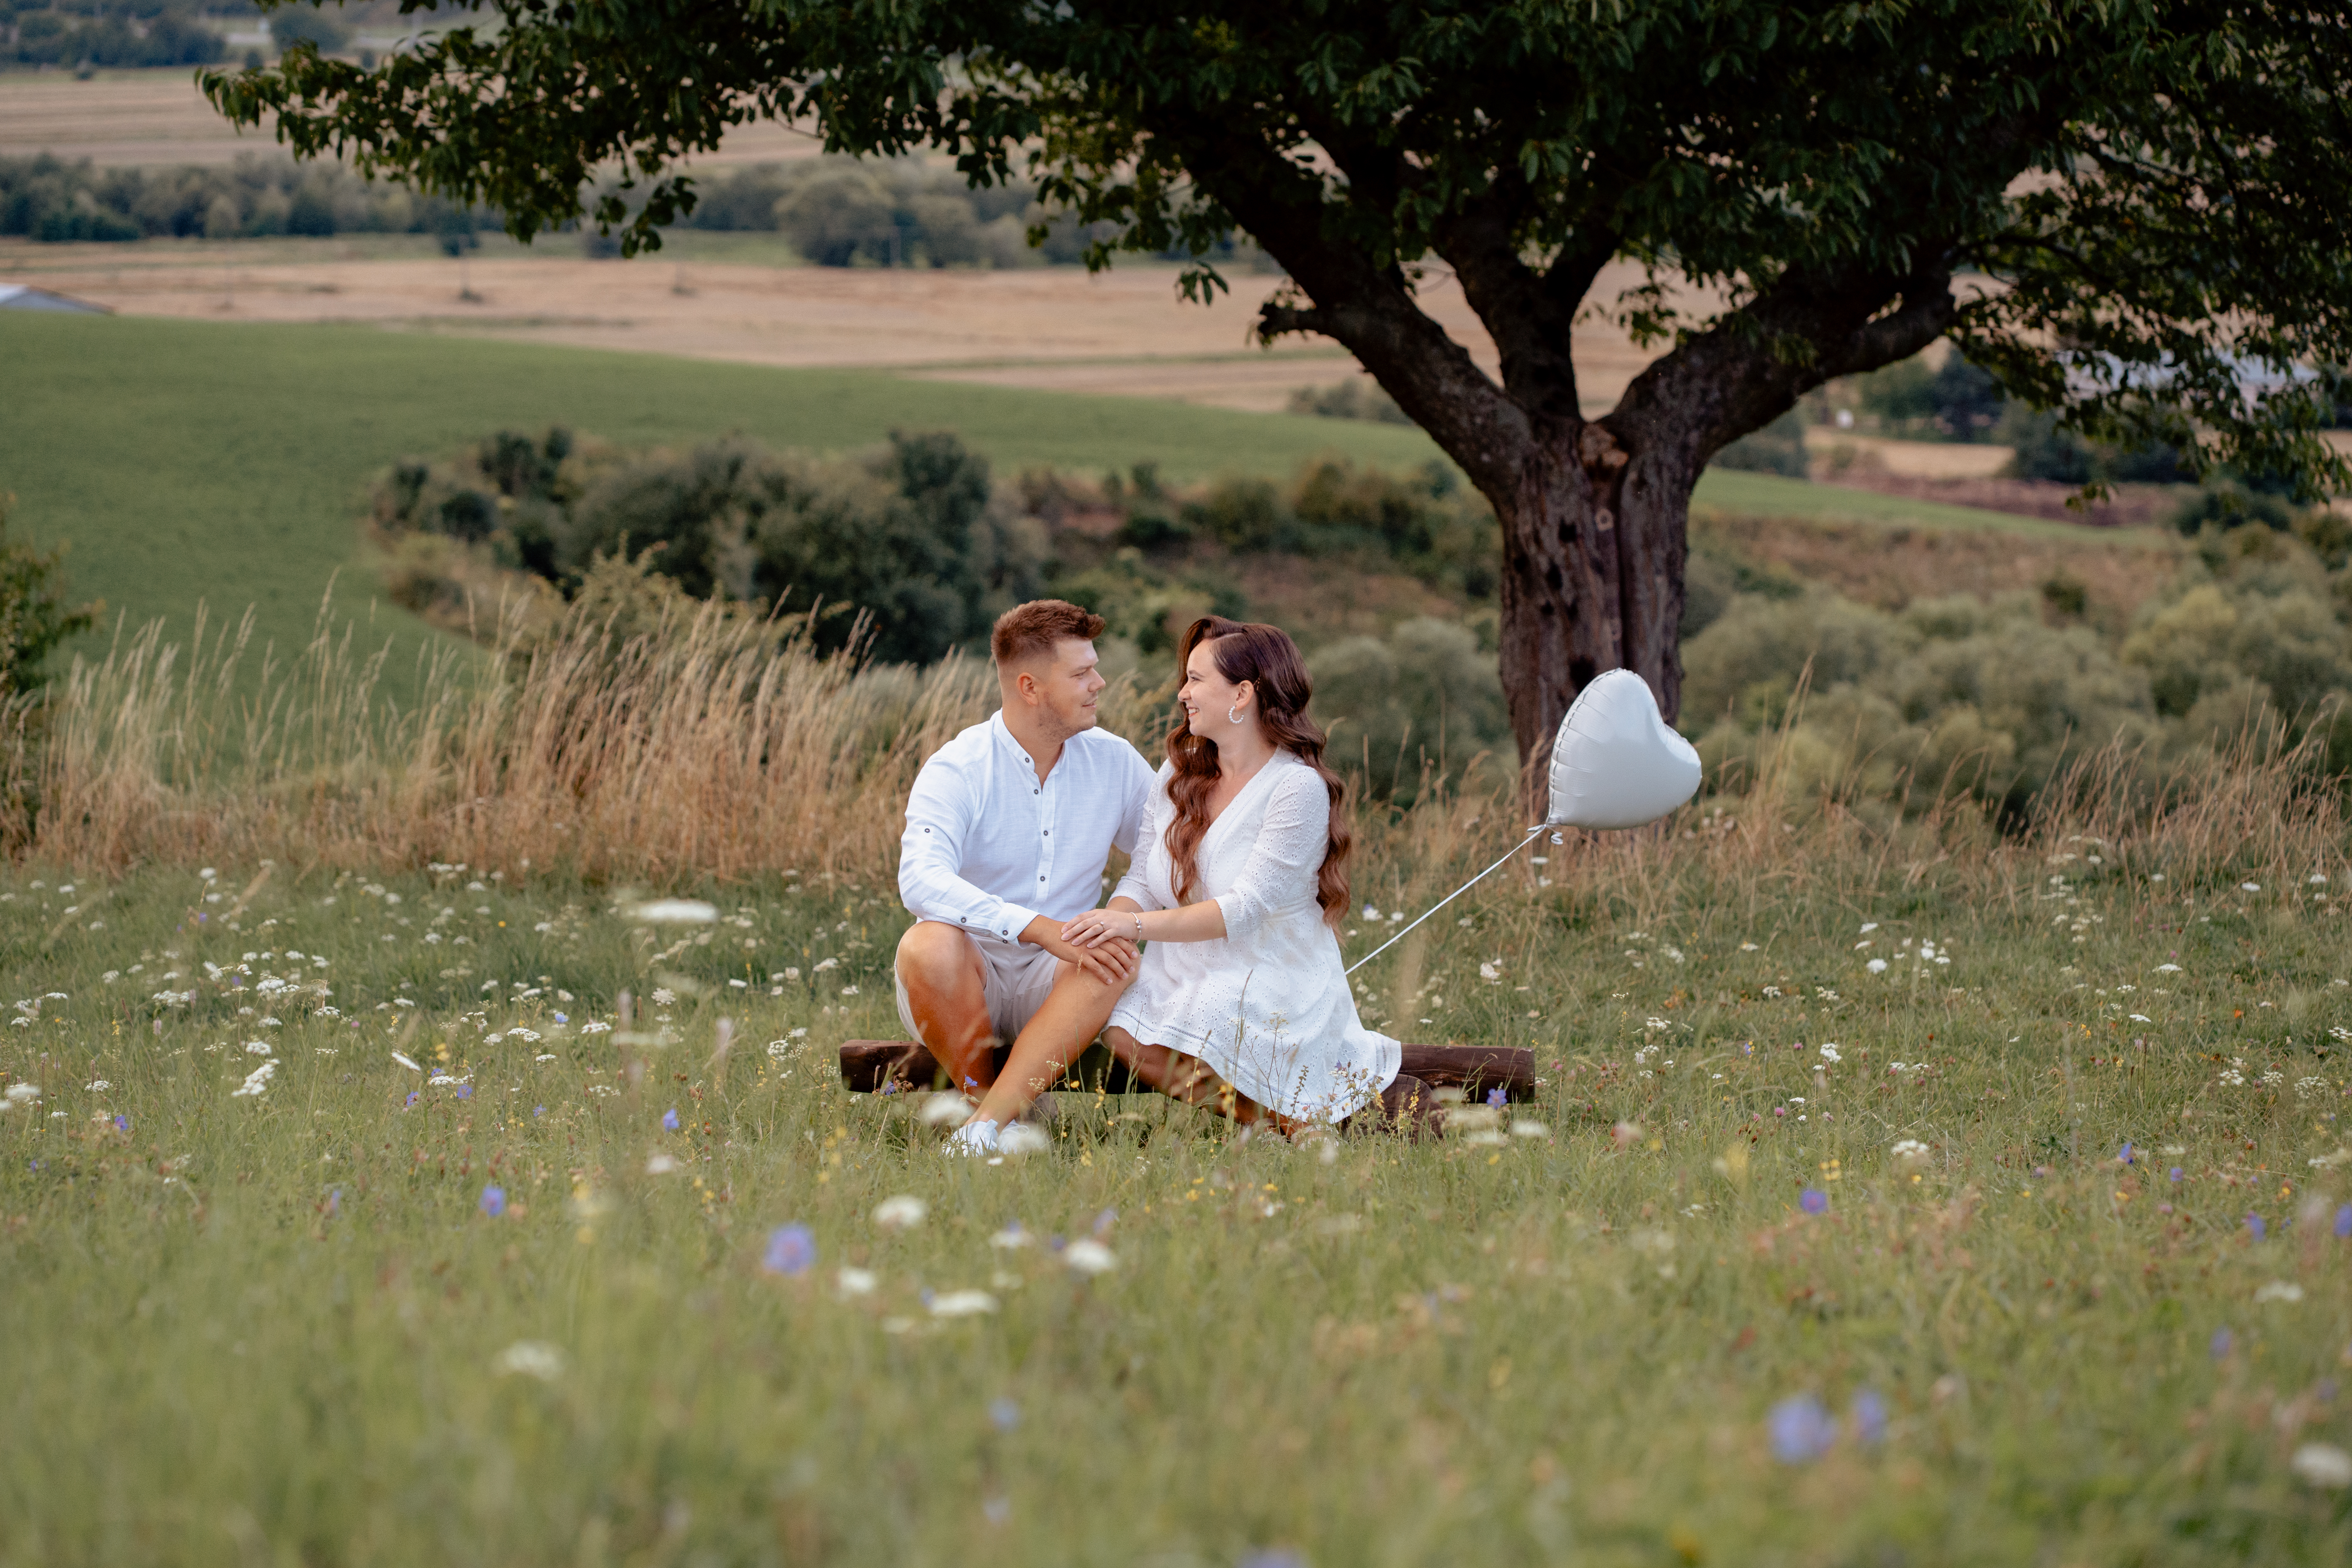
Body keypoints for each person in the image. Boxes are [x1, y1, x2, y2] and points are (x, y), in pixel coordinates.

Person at [975, 615, 1437, 1138]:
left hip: (1267, 969)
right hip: (1182, 966)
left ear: (1242, 694)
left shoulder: (1296, 788)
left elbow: (1246, 910)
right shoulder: (1179, 774)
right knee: (1116, 1018)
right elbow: (1143, 879)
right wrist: (1108, 925)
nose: (1183, 694)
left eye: (1196, 680)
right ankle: (1278, 1124)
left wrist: (1134, 927)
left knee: (1212, 1008)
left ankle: (1300, 1123)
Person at [895, 601, 1155, 1154]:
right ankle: (994, 1109)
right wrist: (1037, 927)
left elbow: (1167, 856)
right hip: (965, 981)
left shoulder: (1116, 761)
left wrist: (1118, 914)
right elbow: (919, 878)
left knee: (1112, 957)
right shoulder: (958, 767)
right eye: (1082, 674)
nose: (1099, 684)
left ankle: (985, 1127)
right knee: (928, 944)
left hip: (1062, 984)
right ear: (1030, 687)